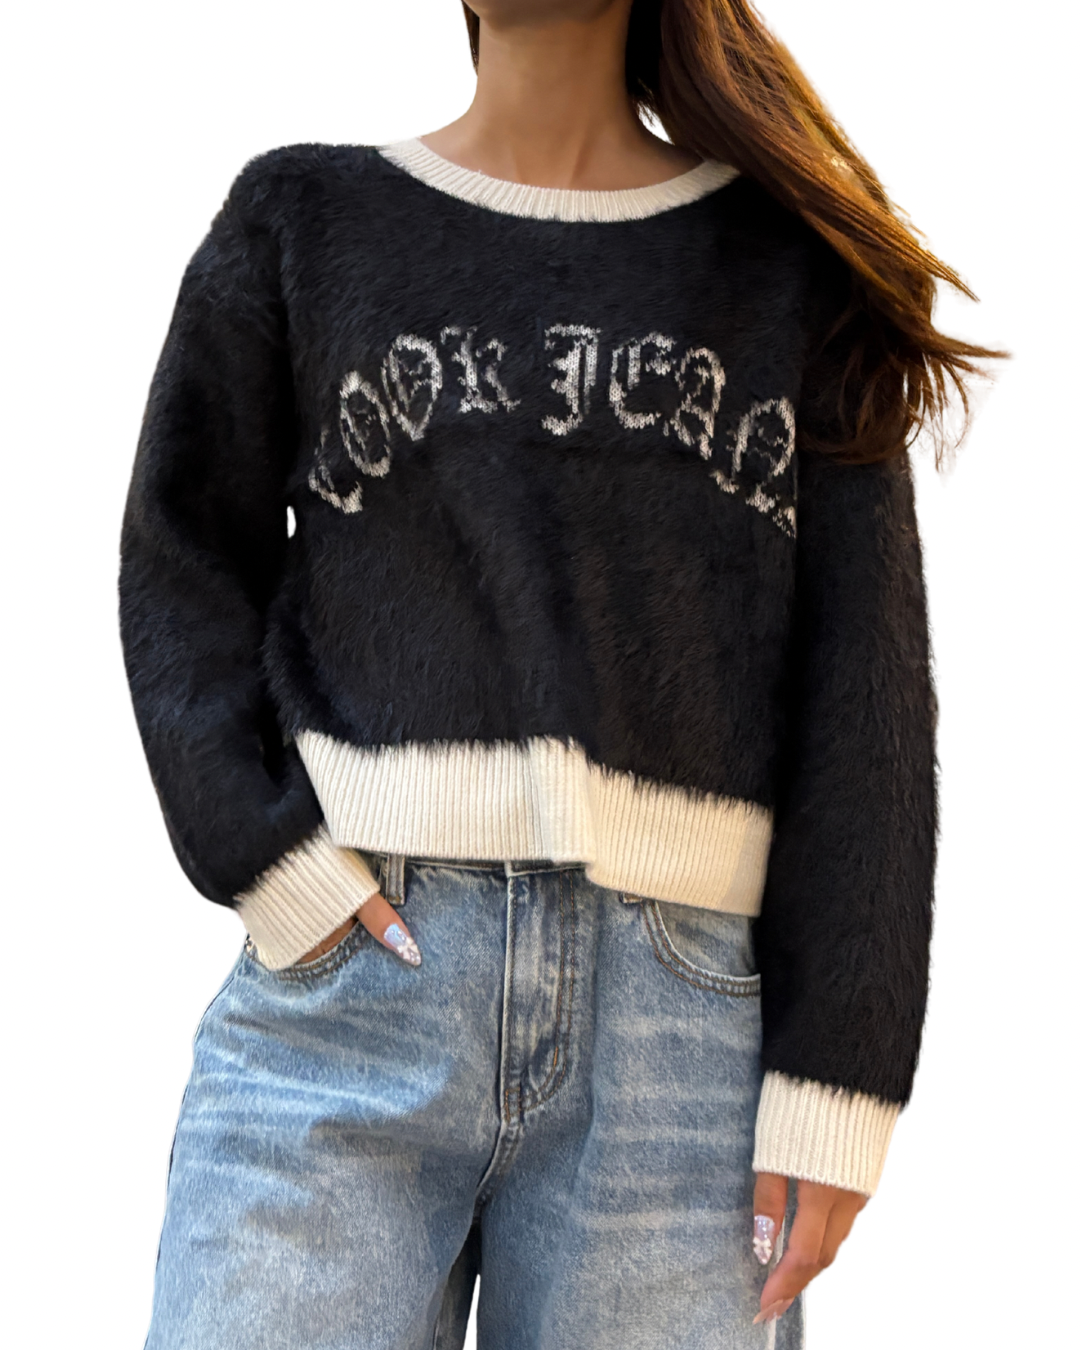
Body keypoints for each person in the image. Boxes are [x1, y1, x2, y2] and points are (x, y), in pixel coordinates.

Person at [119, 2, 1000, 1345]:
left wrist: (843, 1077)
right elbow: (180, 559)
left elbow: (865, 695)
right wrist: (269, 859)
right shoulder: (300, 221)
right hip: (346, 1006)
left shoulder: (787, 274)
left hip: (682, 1059)